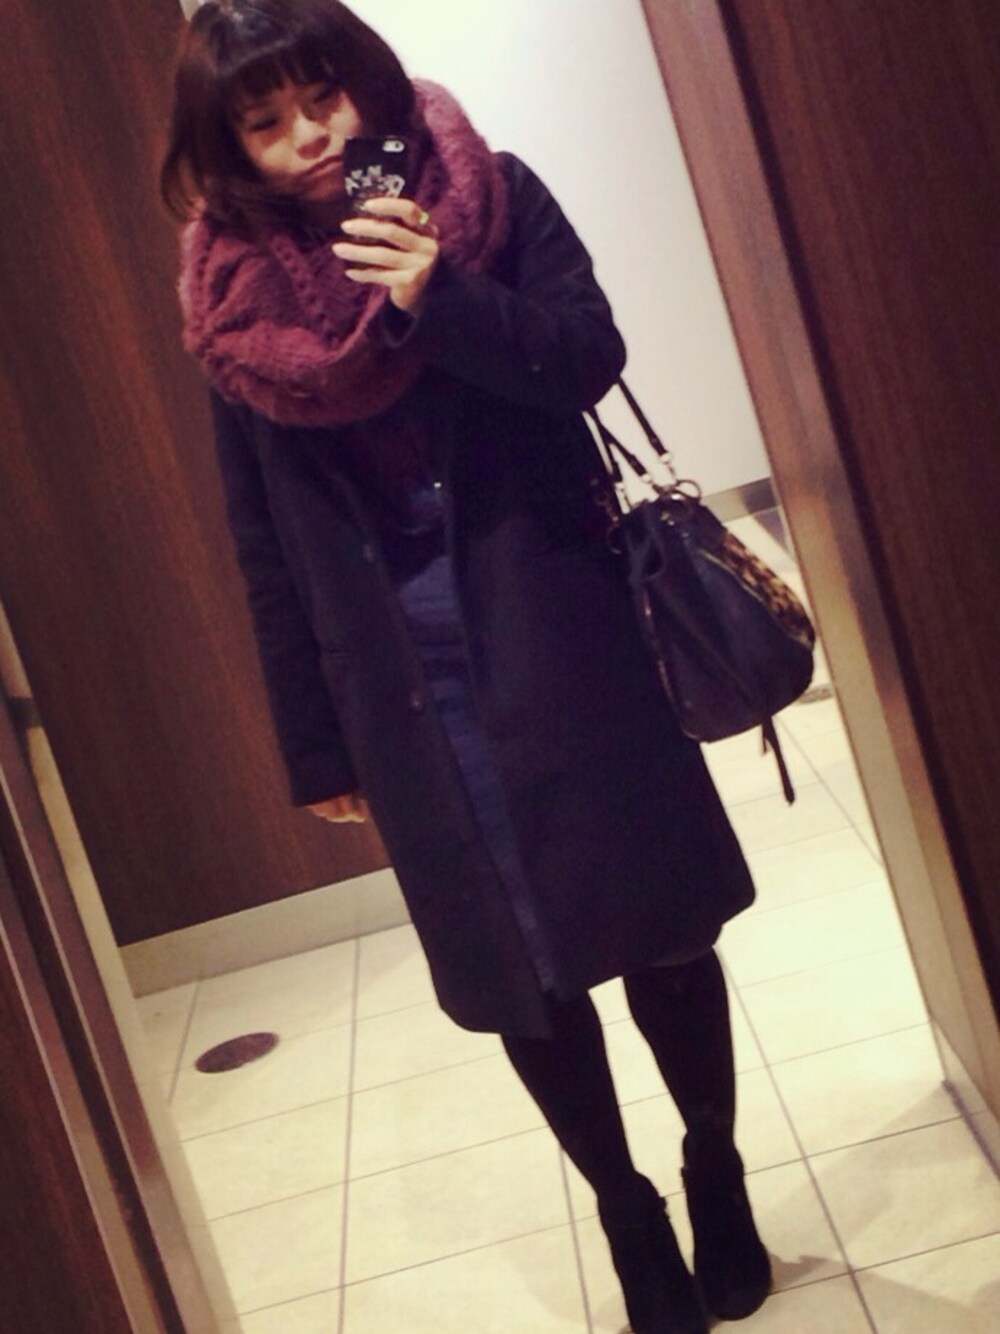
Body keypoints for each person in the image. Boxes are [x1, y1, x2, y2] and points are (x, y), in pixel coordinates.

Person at [162, 3, 771, 1330]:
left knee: (658, 926)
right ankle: (626, 1208)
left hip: (560, 625)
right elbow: (264, 542)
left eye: (322, 97)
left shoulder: (488, 196)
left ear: (366, 82)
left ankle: (714, 1168)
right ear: (228, 146)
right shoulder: (234, 308)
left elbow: (586, 359)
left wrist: (438, 295)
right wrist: (316, 744)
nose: (308, 137)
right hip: (403, 679)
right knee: (522, 973)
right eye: (264, 122)